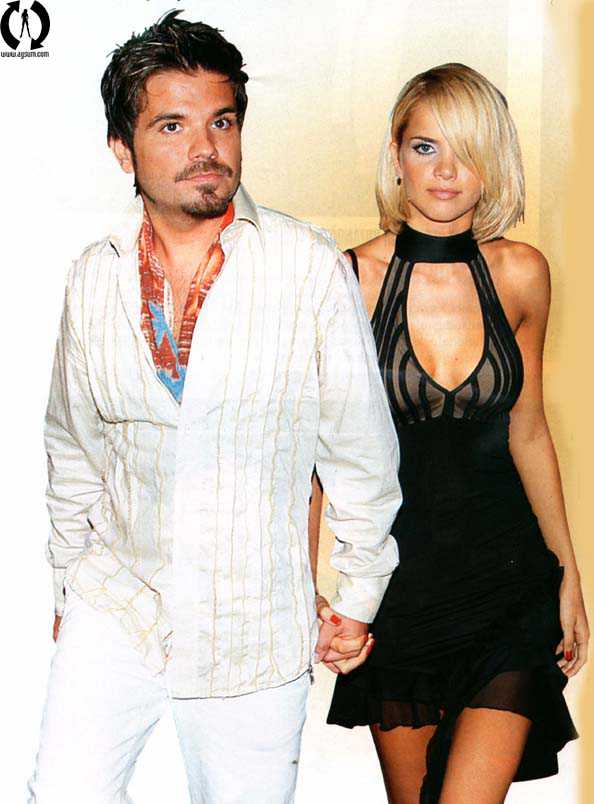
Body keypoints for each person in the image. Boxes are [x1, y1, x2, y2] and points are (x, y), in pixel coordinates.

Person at [28, 12, 401, 803]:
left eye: (222, 122)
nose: (206, 147)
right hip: (119, 603)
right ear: (122, 149)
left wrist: (359, 594)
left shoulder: (305, 267)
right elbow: (73, 447)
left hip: (252, 625)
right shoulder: (94, 277)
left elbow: (361, 454)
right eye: (173, 125)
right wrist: (68, 586)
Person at [313, 63, 588, 803]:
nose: (445, 171)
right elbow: (312, 454)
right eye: (426, 147)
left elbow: (529, 431)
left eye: (467, 150)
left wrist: (569, 576)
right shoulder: (344, 280)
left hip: (510, 585)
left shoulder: (523, 274)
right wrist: (308, 589)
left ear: (494, 161)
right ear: (396, 154)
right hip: (398, 591)